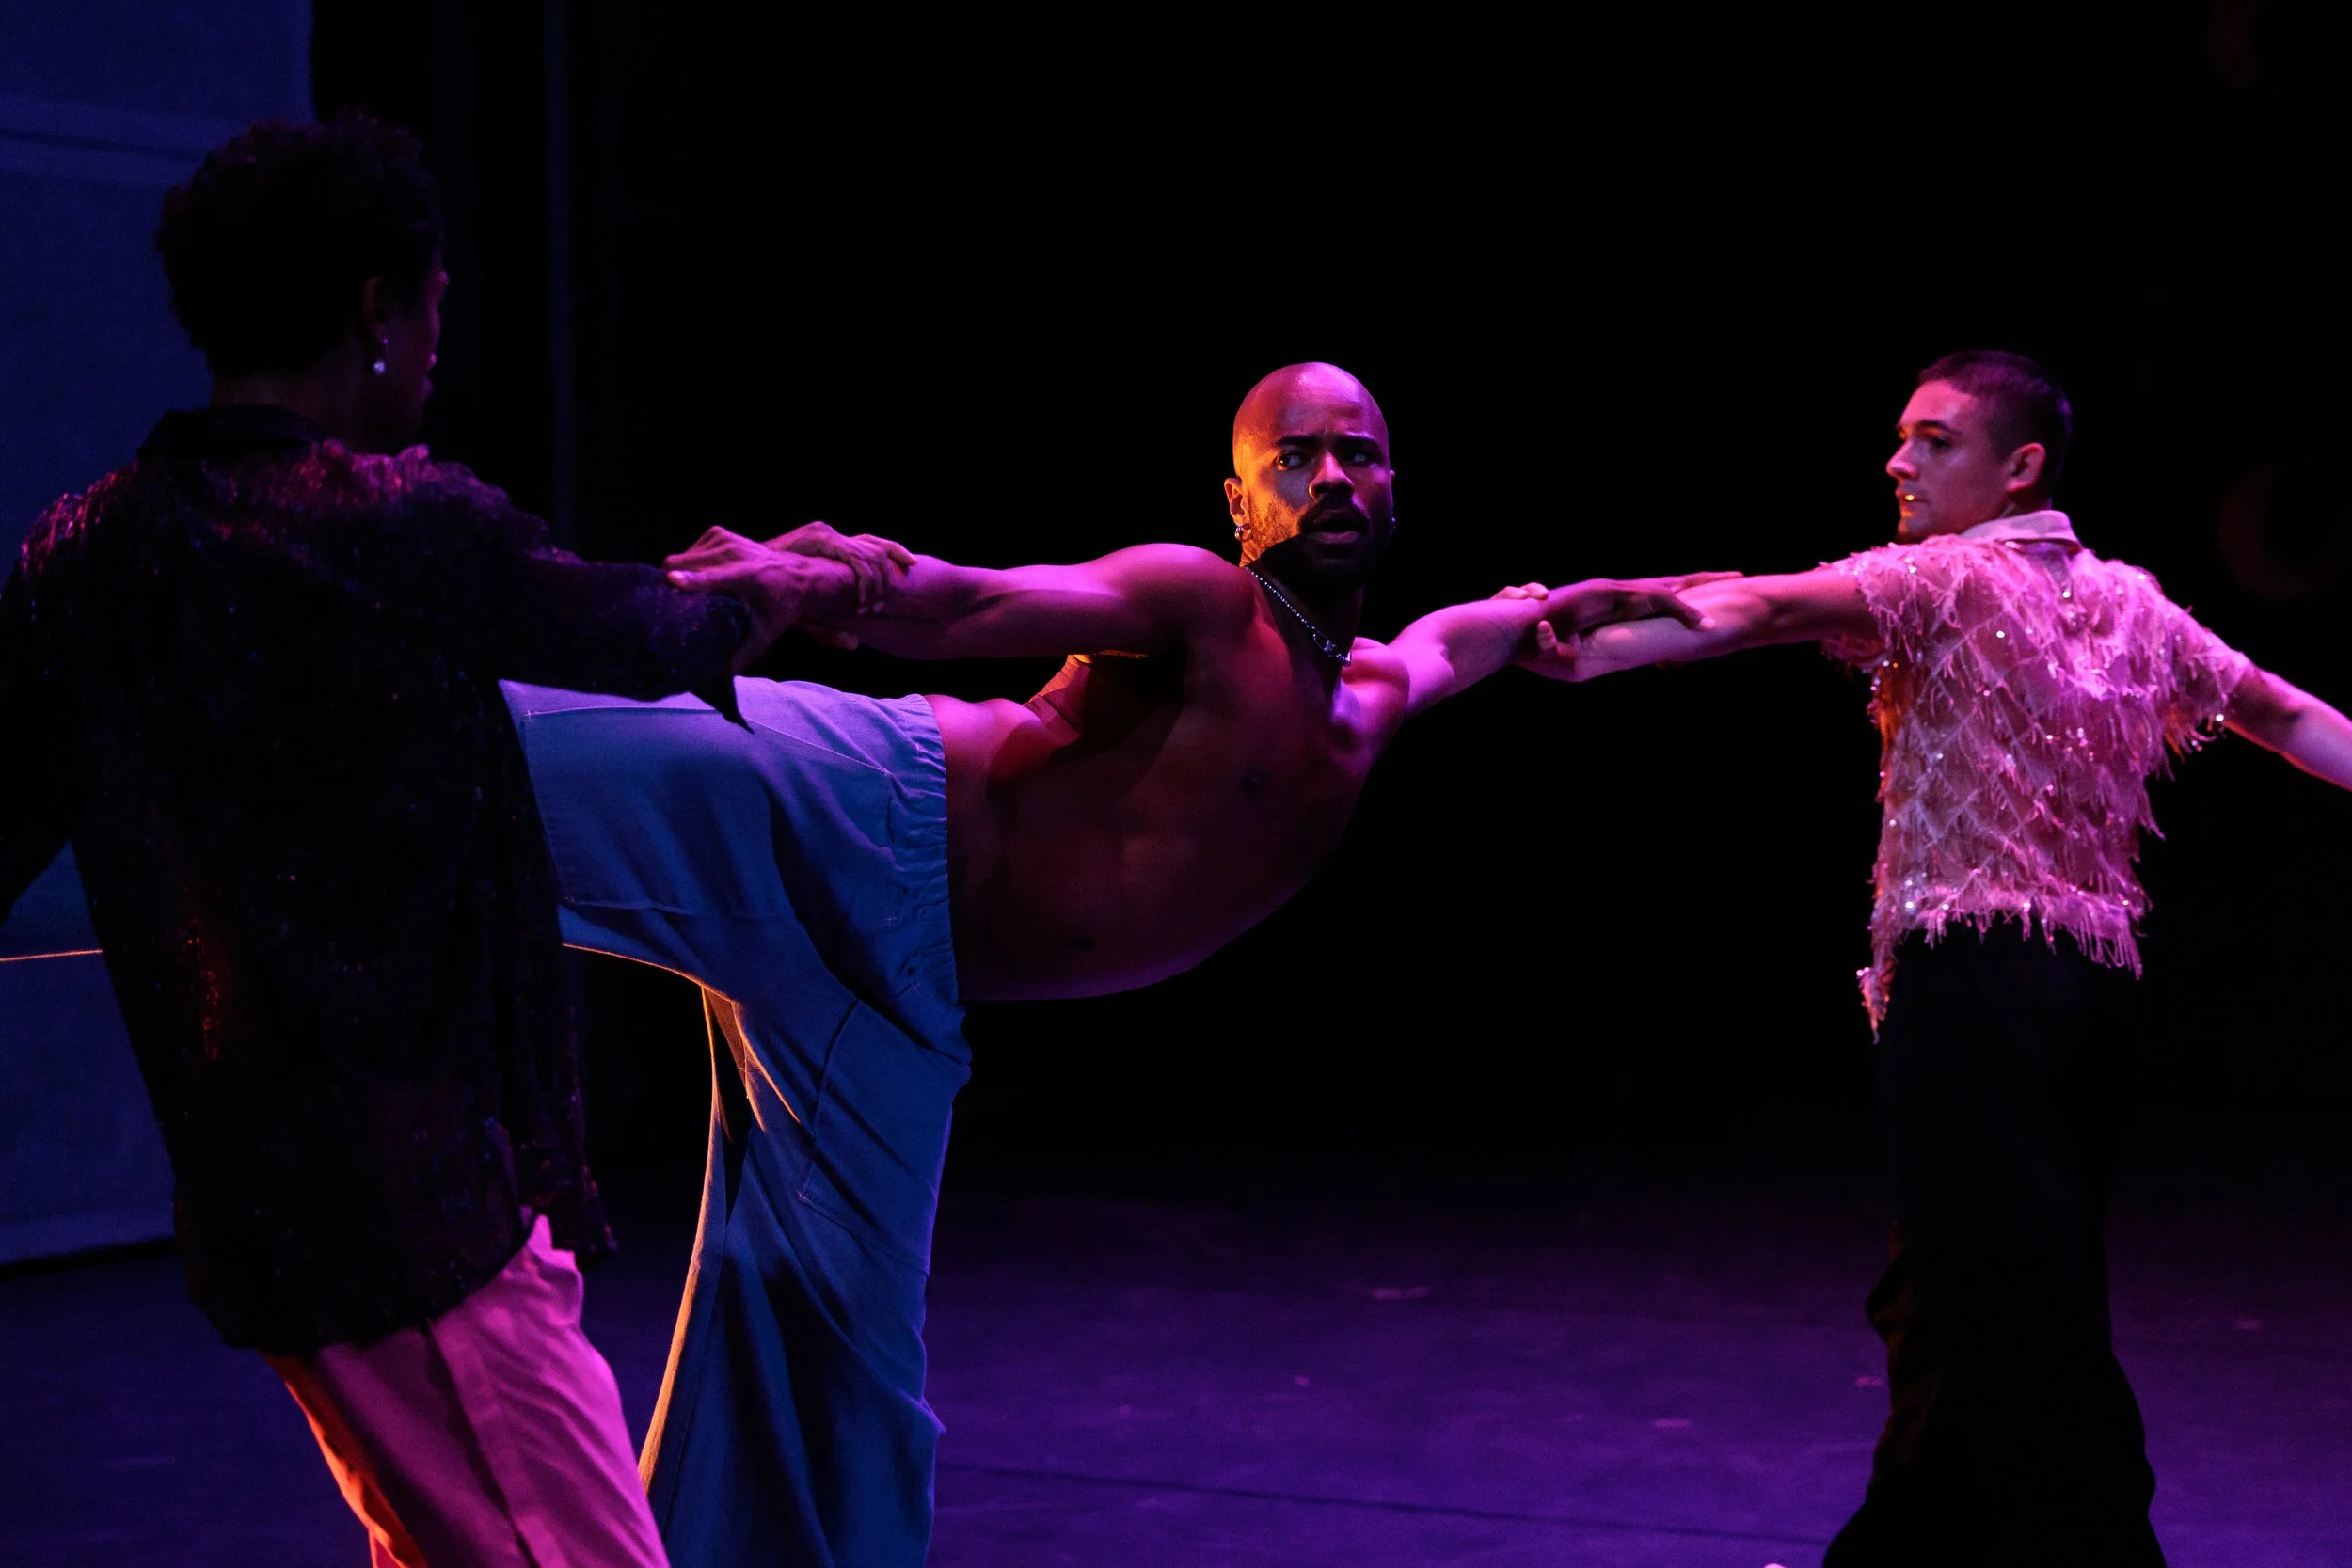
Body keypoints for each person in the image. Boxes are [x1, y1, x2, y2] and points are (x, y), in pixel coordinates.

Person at [501, 360, 1712, 1565]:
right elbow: (969, 604)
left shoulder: (1373, 698)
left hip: (900, 997)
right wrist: (835, 576)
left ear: (1397, 488)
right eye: (1295, 457)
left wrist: (1594, 609)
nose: (1333, 475)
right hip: (867, 814)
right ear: (1240, 506)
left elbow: (1480, 633)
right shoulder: (1205, 603)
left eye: (1361, 453)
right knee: (499, 764)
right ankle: (334, 709)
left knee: (833, 1372)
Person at [0, 115, 843, 1568]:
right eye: (433, 305)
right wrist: (787, 580)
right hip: (418, 1219)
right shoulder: (393, 522)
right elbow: (651, 630)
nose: (441, 342)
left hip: (272, 1207)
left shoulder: (91, 550)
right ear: (377, 313)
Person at [1522, 349, 2352, 1565]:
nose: (1899, 462)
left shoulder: (1941, 580)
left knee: (2018, 1312)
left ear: (2020, 469)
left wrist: (1596, 643)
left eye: (1934, 440)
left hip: (1975, 987)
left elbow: (1759, 607)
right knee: (1947, 1299)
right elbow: (2283, 711)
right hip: (2092, 1000)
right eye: (1902, 439)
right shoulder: (2137, 600)